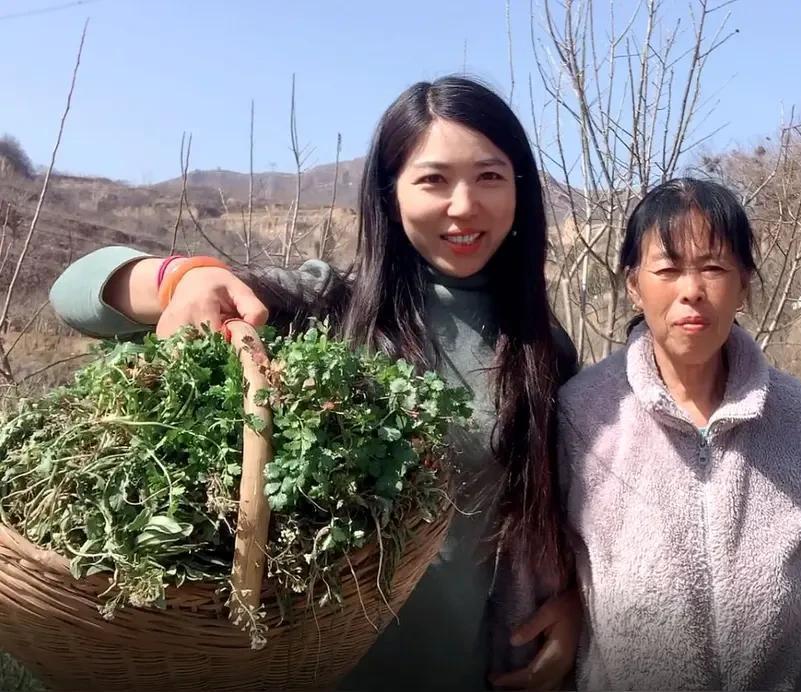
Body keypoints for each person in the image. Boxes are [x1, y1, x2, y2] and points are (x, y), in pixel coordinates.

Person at [49, 76, 581, 691]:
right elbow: (75, 292)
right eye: (433, 179)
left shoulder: (543, 348)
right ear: (390, 194)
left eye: (490, 176)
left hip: (468, 669)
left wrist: (574, 603)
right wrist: (183, 279)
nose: (463, 206)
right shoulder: (329, 306)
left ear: (521, 189)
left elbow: (560, 510)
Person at [555, 178, 801, 690]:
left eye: (714, 268)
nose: (691, 290)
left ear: (743, 284)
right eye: (668, 269)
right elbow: (538, 581)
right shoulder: (584, 418)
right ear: (633, 284)